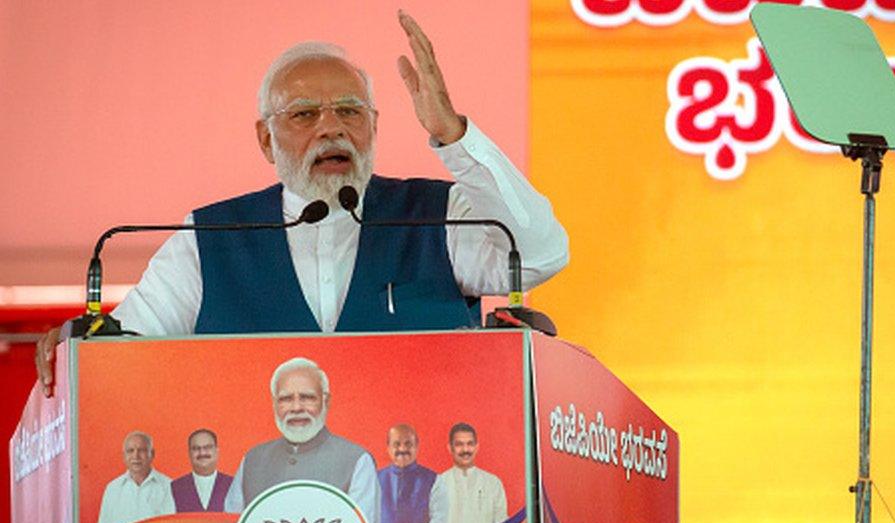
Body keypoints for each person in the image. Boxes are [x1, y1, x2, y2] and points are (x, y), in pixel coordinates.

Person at [34, 10, 568, 396]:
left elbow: (543, 252)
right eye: (304, 114)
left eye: (350, 112)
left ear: (375, 127)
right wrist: (82, 352)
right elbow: (123, 356)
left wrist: (453, 135)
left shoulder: (435, 215)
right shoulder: (209, 240)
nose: (331, 127)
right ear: (266, 141)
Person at [224, 357, 380, 523]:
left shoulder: (357, 461)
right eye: (286, 399)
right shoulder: (252, 460)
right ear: (274, 404)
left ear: (326, 401)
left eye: (307, 397)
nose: (296, 408)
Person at [423, 423, 506, 523]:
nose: (465, 449)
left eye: (470, 444)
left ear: (477, 447)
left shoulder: (493, 483)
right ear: (450, 448)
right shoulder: (438, 484)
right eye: (459, 444)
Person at [96, 431, 175, 523]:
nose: (135, 456)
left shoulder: (170, 488)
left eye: (141, 450)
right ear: (124, 456)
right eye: (130, 451)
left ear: (152, 454)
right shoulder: (113, 488)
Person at [376, 424, 437, 523]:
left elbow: (439, 522)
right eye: (396, 444)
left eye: (408, 444)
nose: (402, 449)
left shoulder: (434, 480)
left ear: (416, 447)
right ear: (388, 447)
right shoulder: (374, 479)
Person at [169, 429, 234, 513]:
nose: (202, 452)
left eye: (207, 447)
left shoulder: (233, 485)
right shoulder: (174, 487)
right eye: (196, 448)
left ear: (217, 451)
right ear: (189, 453)